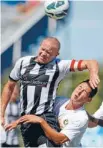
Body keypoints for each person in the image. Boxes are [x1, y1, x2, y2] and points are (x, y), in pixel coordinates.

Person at [1, 37, 100, 147]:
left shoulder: (60, 65)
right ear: (40, 46)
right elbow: (9, 86)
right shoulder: (22, 62)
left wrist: (93, 74)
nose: (43, 54)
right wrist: (2, 114)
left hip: (45, 119)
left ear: (56, 54)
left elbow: (90, 62)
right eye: (42, 49)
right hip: (26, 123)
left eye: (49, 53)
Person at [5, 79, 98, 147]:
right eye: (80, 87)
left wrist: (41, 121)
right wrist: (18, 122)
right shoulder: (59, 101)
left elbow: (58, 140)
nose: (79, 91)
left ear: (88, 100)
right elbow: (36, 113)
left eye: (84, 91)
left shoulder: (81, 118)